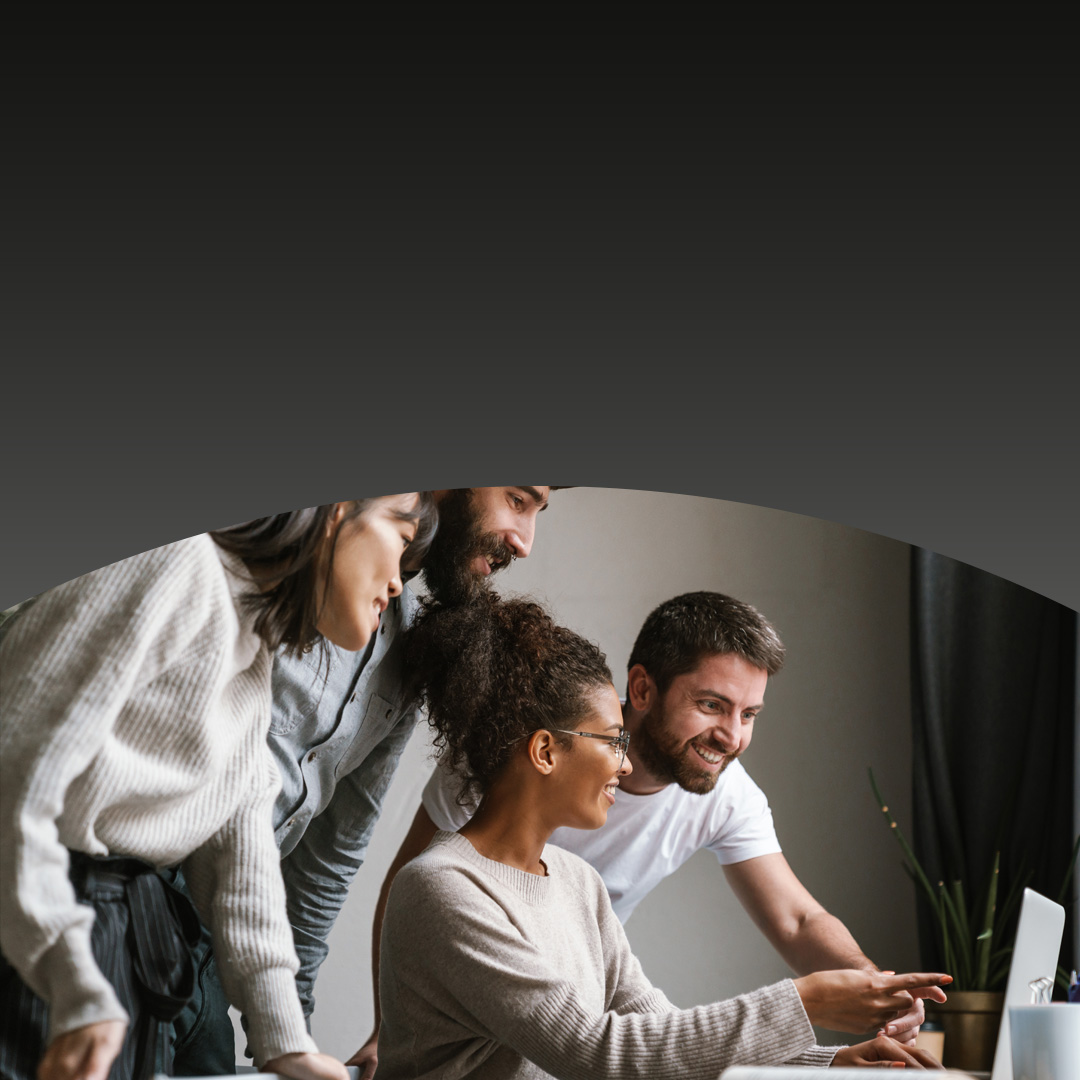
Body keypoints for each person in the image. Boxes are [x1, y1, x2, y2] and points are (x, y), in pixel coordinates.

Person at [376, 593, 948, 1078]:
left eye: (749, 714)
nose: (622, 767)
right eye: (611, 742)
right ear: (546, 751)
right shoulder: (442, 888)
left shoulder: (579, 882)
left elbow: (657, 1032)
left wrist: (830, 1063)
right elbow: (596, 1052)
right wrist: (806, 1001)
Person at [0, 493, 435, 1080]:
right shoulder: (172, 564)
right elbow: (12, 786)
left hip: (119, 947)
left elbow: (243, 855)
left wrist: (286, 1042)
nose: (398, 583)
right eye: (402, 538)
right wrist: (72, 983)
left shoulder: (252, 642)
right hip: (35, 936)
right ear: (337, 509)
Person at [171, 487, 559, 1076]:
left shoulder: (405, 641)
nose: (524, 542)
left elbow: (323, 856)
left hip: (207, 952)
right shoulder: (240, 564)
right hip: (112, 905)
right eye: (517, 499)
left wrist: (287, 1038)